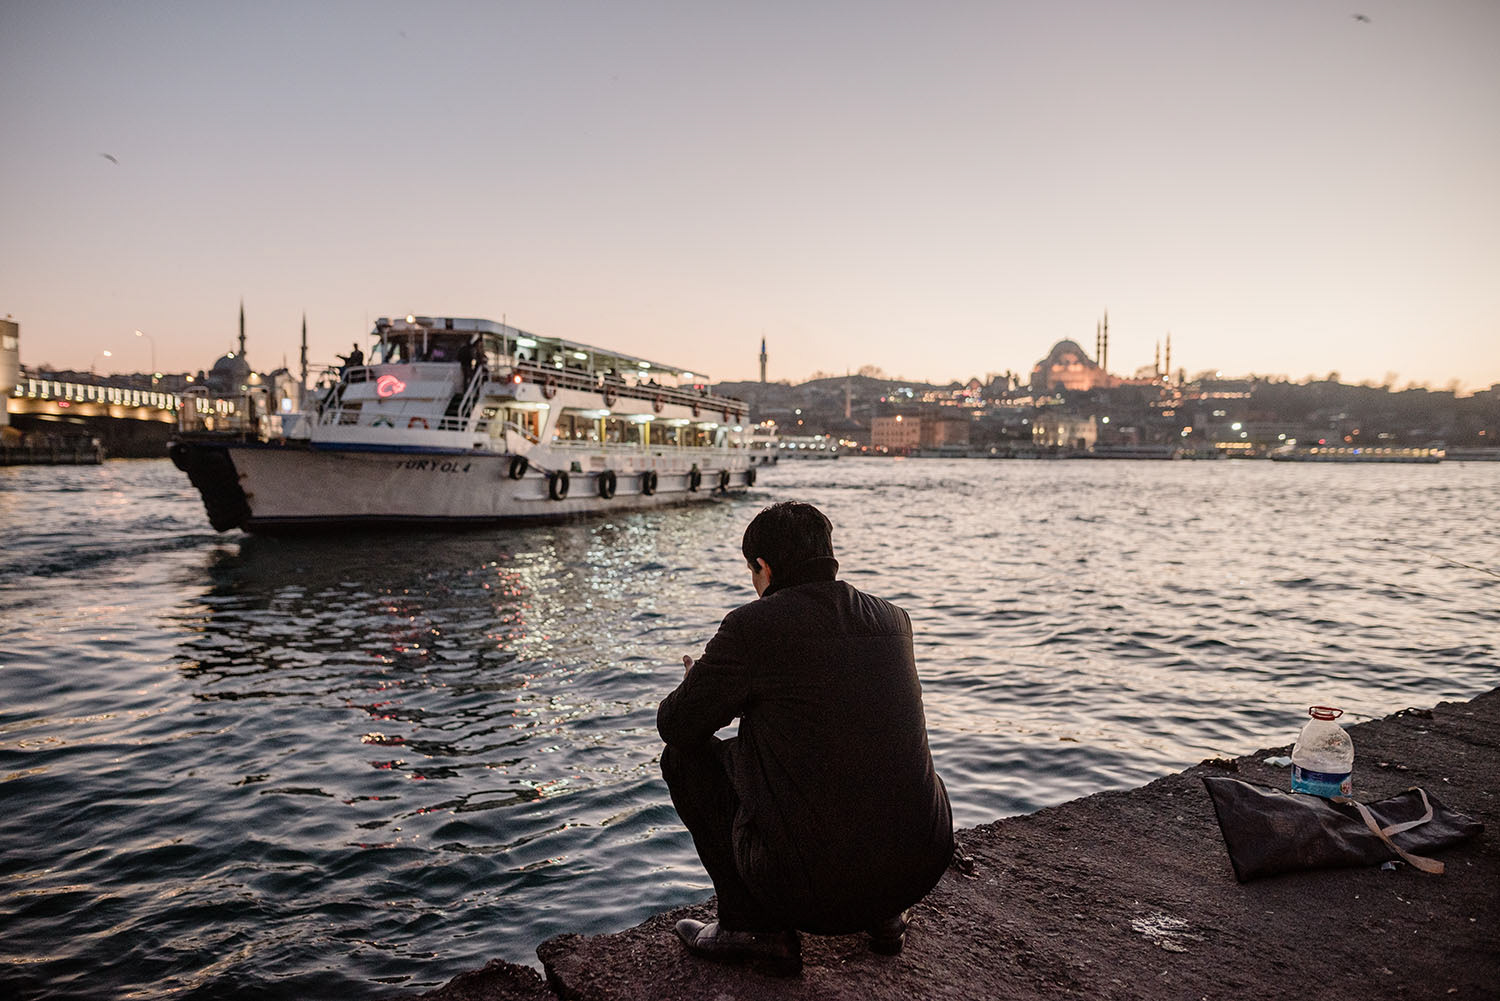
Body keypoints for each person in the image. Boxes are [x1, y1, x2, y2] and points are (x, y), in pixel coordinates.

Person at [657, 502, 953, 976]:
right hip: (920, 866)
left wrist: (702, 688)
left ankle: (752, 929)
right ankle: (883, 916)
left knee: (682, 759)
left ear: (764, 567)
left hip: (814, 893)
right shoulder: (894, 620)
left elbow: (676, 726)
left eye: (751, 572)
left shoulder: (753, 626)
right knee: (865, 740)